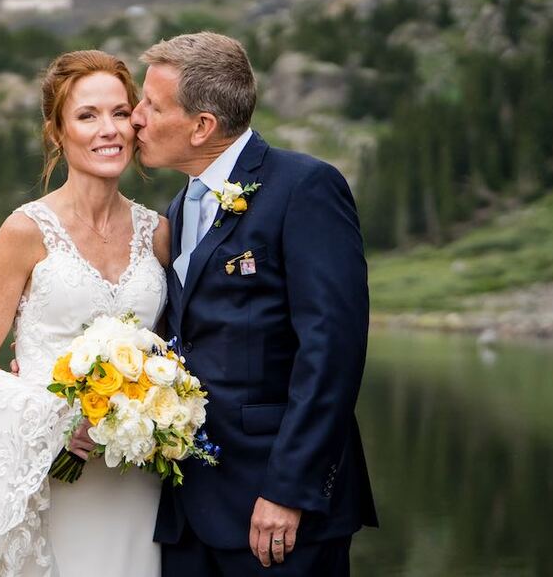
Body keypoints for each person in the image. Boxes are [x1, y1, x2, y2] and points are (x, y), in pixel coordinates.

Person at [130, 32, 378, 576]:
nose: (135, 116)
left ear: (202, 127)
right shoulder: (181, 202)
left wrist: (289, 489)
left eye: (152, 104)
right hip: (189, 505)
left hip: (278, 509)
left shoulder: (306, 187)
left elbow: (331, 349)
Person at [0, 50, 170, 577]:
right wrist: (54, 419)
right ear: (58, 133)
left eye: (119, 112)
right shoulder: (25, 230)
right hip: (51, 471)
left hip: (135, 475)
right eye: (87, 115)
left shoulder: (159, 233)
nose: (108, 130)